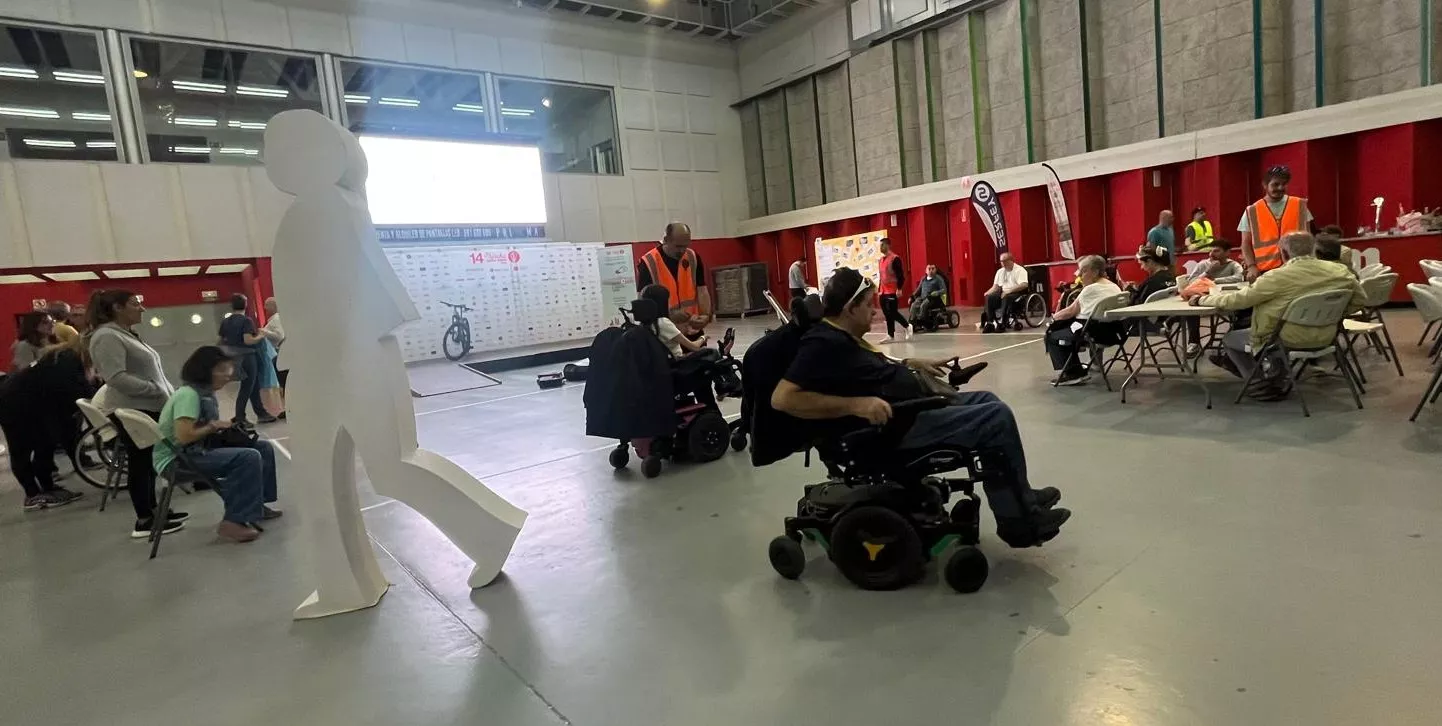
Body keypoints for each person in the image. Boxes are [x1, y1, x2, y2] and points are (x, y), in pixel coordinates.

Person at [769, 267, 1069, 545]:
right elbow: (783, 398)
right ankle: (1019, 522)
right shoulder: (823, 343)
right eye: (869, 305)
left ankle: (1021, 497)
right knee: (995, 417)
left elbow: (869, 368)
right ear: (850, 309)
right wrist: (857, 405)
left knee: (988, 400)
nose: (875, 311)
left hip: (907, 410)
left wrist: (913, 364)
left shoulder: (842, 336)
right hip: (890, 427)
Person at [1191, 232, 1365, 399]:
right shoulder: (1341, 271)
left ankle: (1259, 383)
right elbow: (1360, 300)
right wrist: (1330, 317)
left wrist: (1202, 300)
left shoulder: (1276, 276)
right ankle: (1275, 376)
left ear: (1283, 253)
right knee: (1273, 331)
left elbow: (1238, 301)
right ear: (1313, 249)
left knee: (1230, 338)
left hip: (1284, 339)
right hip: (1327, 336)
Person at [88, 289, 187, 539]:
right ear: (117, 308)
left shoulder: (124, 334)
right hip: (134, 408)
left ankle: (154, 510)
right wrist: (154, 390)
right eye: (135, 304)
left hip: (147, 405)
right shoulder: (106, 337)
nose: (142, 309)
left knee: (147, 463)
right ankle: (144, 519)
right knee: (141, 464)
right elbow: (116, 378)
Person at [156, 346, 281, 544]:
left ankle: (255, 506)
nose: (228, 375)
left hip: (193, 450)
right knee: (247, 457)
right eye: (222, 370)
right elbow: (184, 436)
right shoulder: (188, 395)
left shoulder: (203, 393)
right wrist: (213, 425)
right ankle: (233, 521)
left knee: (262, 447)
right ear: (205, 370)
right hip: (177, 460)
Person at [0, 335, 91, 510]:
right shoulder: (67, 359)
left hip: (32, 402)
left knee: (46, 443)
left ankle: (48, 487)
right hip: (13, 403)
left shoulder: (65, 356)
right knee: (21, 449)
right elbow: (75, 388)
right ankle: (32, 494)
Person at [1044, 255, 1125, 386]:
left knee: (1052, 335)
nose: (1080, 275)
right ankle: (1076, 364)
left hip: (1092, 332)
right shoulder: (1114, 287)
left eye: (1084, 271)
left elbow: (1071, 311)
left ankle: (1073, 373)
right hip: (1114, 332)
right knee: (1068, 330)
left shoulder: (1090, 289)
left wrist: (1053, 318)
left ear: (1095, 272)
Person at [636, 222, 713, 339]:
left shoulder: (693, 257)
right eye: (678, 246)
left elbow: (702, 290)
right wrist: (668, 315)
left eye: (685, 245)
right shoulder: (648, 262)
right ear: (666, 240)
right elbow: (643, 303)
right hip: (664, 336)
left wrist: (706, 315)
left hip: (692, 331)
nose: (682, 250)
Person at [1240, 165, 1312, 281]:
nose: (1280, 188)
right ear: (1265, 185)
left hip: (1297, 269)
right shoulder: (1251, 211)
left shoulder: (1299, 205)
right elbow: (1245, 244)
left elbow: (1309, 238)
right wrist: (1252, 266)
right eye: (1275, 184)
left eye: (1284, 184)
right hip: (1266, 271)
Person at [218, 294, 278, 425]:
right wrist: (260, 336)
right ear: (245, 305)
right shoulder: (246, 321)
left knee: (253, 385)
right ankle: (240, 416)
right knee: (247, 387)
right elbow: (248, 340)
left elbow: (221, 340)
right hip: (247, 356)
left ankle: (261, 412)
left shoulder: (226, 322)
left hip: (234, 357)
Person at [1182, 240, 1244, 356]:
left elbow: (1239, 277)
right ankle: (1194, 343)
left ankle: (1235, 344)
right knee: (1190, 312)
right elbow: (1191, 282)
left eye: (1216, 251)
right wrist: (1207, 272)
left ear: (1227, 253)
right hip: (1202, 299)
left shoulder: (1233, 265)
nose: (1211, 254)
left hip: (1225, 300)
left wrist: (1214, 281)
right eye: (1210, 251)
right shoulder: (1203, 265)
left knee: (1240, 309)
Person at [640, 284, 710, 358]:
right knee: (710, 352)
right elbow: (694, 347)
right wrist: (703, 338)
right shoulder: (663, 323)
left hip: (663, 362)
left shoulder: (645, 324)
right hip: (677, 362)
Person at [982, 253, 1029, 333]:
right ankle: (990, 323)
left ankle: (1002, 323)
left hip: (1016, 292)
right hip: (1003, 292)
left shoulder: (1020, 270)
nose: (1002, 263)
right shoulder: (1000, 272)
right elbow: (995, 286)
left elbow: (1024, 284)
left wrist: (1009, 291)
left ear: (1011, 261)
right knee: (989, 297)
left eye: (1004, 261)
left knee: (1006, 297)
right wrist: (987, 293)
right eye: (1001, 261)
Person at [876, 237, 910, 341]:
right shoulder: (880, 260)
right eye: (880, 245)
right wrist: (879, 289)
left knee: (893, 312)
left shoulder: (895, 259)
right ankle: (890, 335)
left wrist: (899, 288)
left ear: (887, 245)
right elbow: (881, 276)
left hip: (892, 290)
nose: (880, 247)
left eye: (882, 245)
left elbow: (900, 275)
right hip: (883, 290)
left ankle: (907, 326)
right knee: (886, 313)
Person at [260, 297, 288, 419]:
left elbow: (279, 335)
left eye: (267, 305)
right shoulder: (274, 320)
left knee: (284, 382)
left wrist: (263, 332)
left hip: (280, 352)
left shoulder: (276, 319)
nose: (265, 308)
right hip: (277, 352)